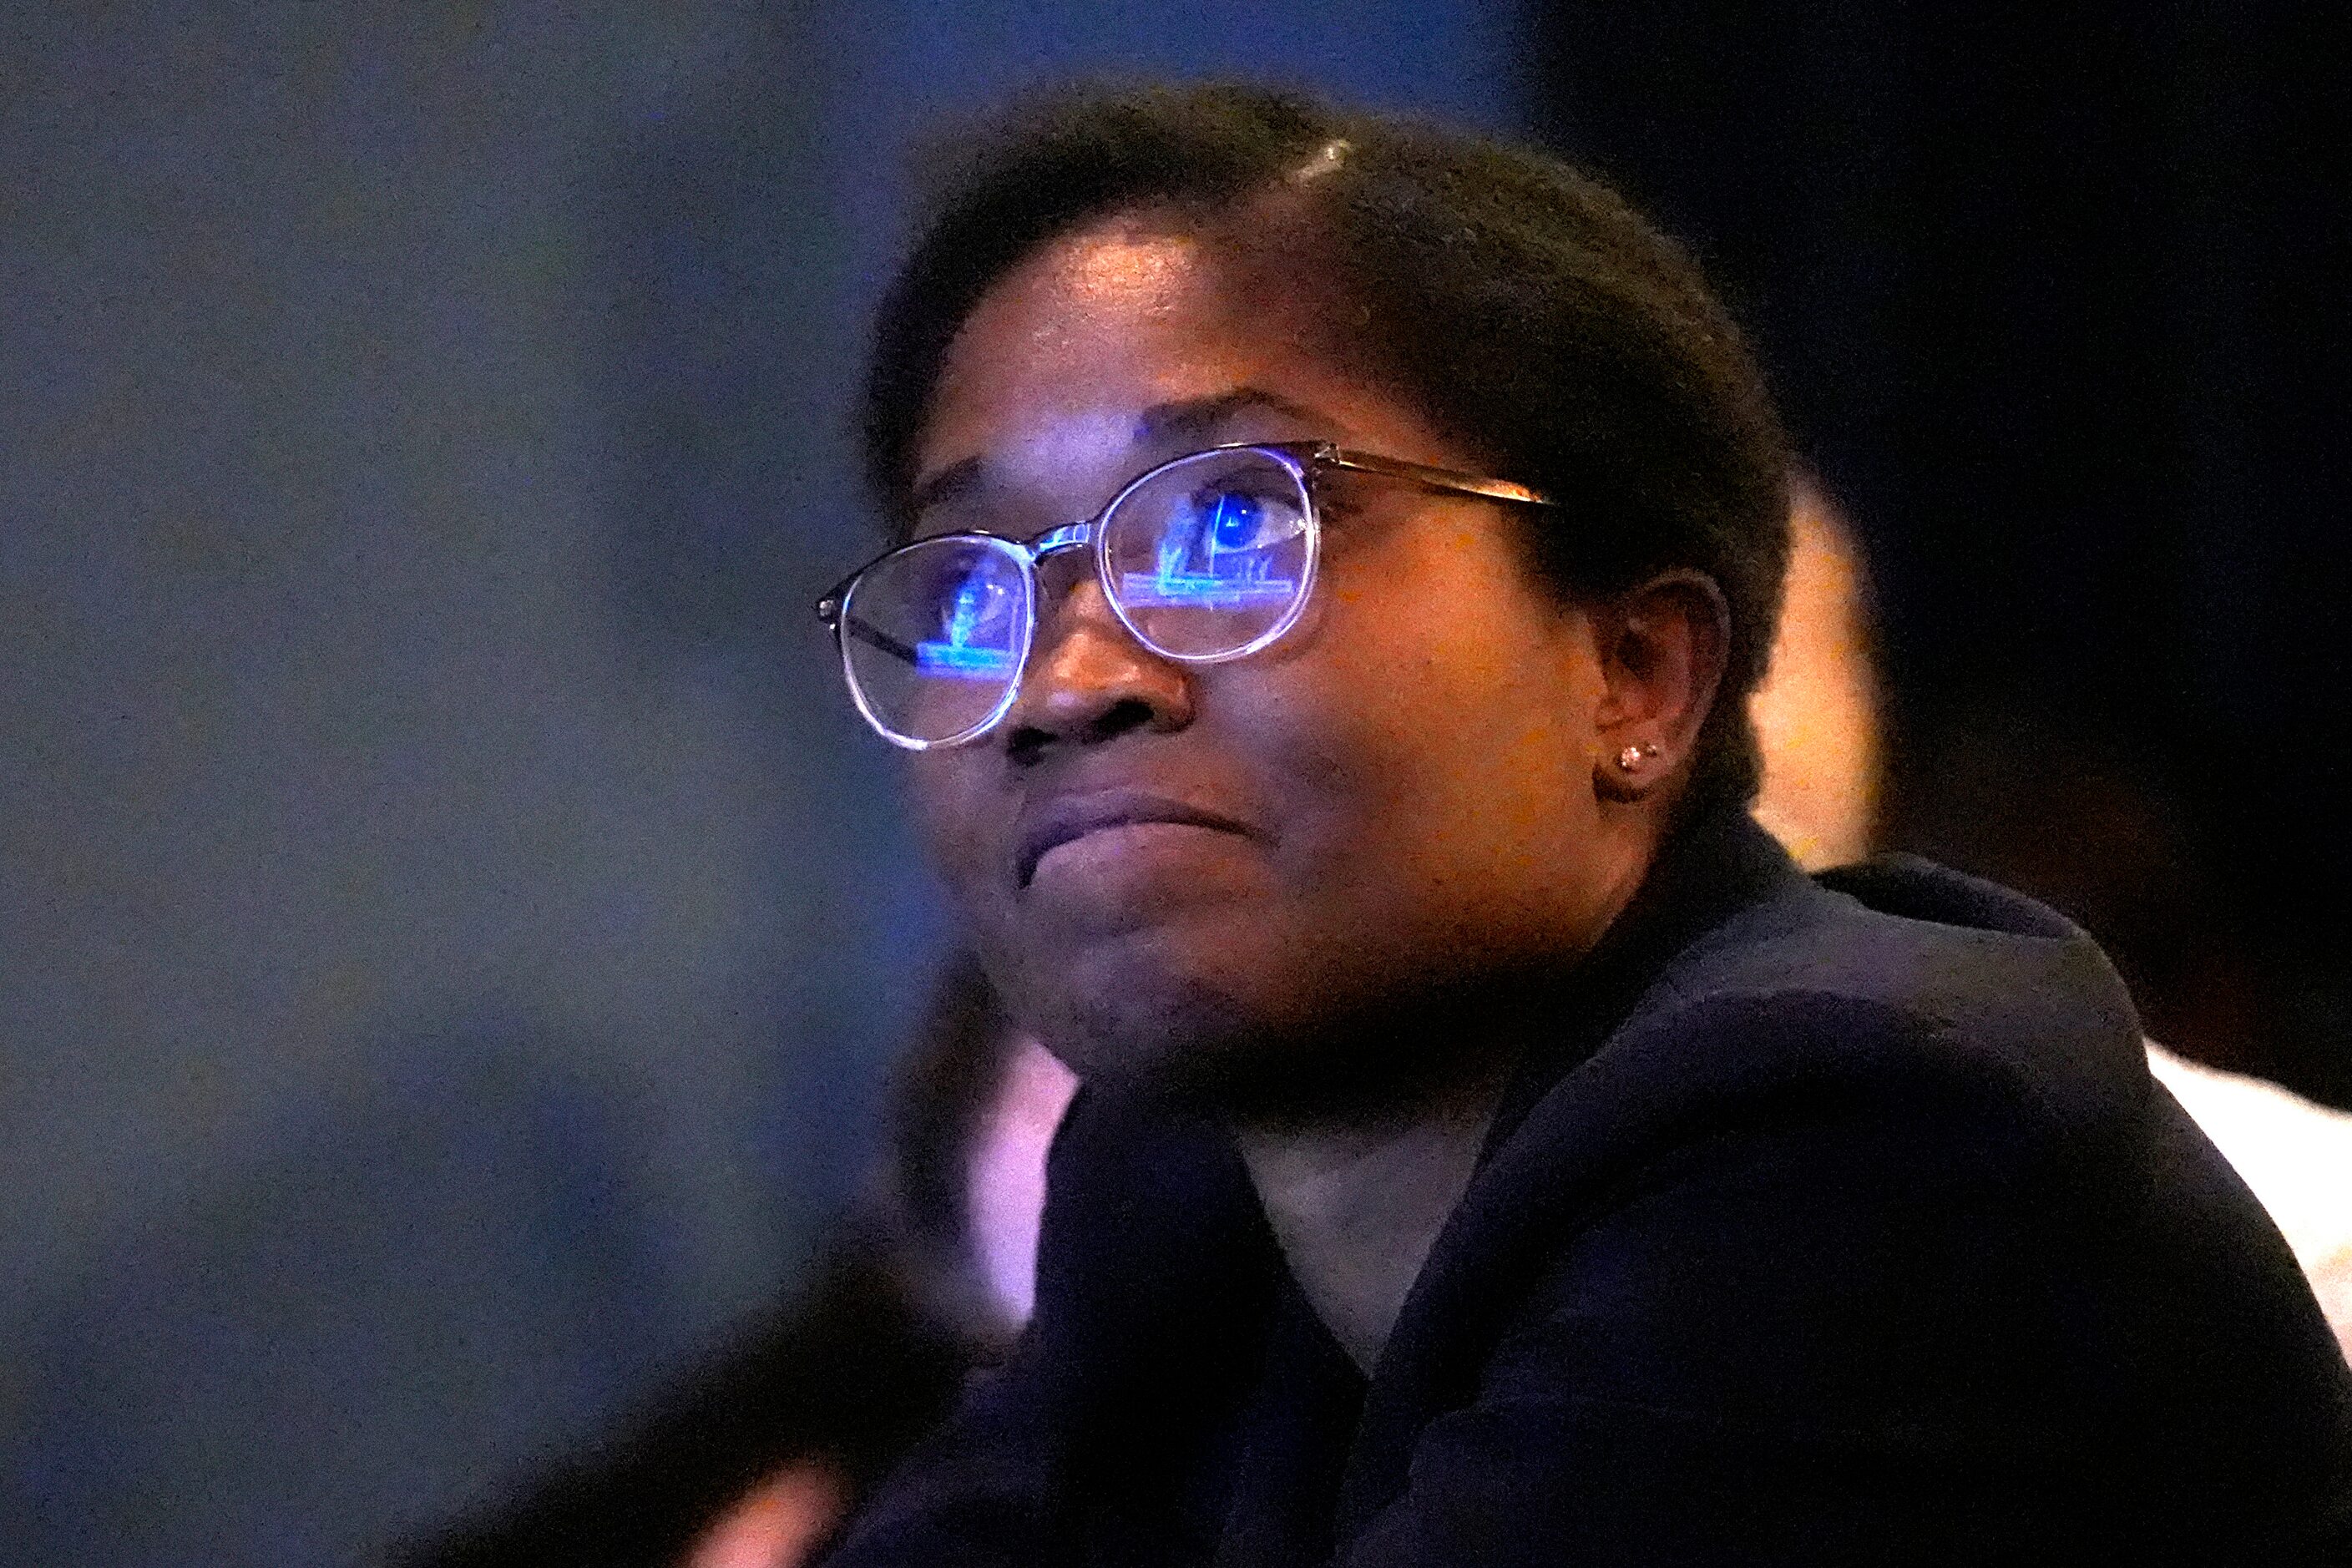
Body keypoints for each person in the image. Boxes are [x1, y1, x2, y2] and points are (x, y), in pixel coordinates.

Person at [807, 83, 2351, 1563]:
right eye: (966, 585)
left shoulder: (1862, 1132)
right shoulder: (1172, 1188)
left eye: (1230, 525)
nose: (1064, 681)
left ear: (1636, 668)